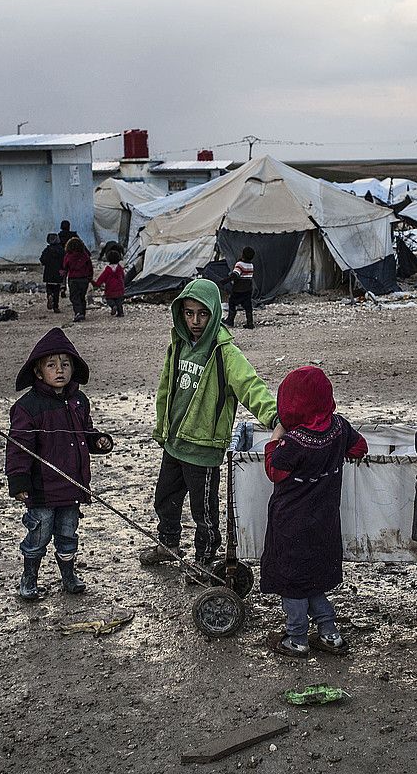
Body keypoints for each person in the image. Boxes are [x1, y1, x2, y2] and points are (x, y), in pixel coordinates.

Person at [140, 278, 278, 571]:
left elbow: (250, 385)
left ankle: (205, 560)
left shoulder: (225, 352)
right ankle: (169, 544)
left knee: (204, 511)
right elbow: (167, 388)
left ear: (214, 312)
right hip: (175, 442)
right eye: (189, 313)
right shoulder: (178, 346)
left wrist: (275, 417)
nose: (195, 320)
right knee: (165, 498)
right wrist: (161, 428)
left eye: (202, 314)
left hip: (203, 449)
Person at [260, 366, 368, 658]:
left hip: (291, 527)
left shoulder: (293, 443)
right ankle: (330, 634)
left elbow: (274, 471)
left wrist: (275, 437)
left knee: (294, 585)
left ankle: (296, 638)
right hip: (325, 525)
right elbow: (360, 448)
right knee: (314, 580)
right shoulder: (339, 428)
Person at [6, 327, 113, 600]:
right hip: (42, 491)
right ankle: (29, 579)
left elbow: (85, 433)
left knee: (68, 534)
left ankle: (68, 576)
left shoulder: (78, 401)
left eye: (65, 364)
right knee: (38, 537)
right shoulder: (28, 407)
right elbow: (18, 447)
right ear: (38, 372)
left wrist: (98, 441)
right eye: (51, 365)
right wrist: (18, 480)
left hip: (72, 488)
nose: (60, 370)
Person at [60, 237, 94, 322]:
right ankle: (82, 312)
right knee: (82, 296)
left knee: (74, 297)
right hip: (84, 279)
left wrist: (63, 283)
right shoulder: (85, 255)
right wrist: (90, 277)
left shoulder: (68, 256)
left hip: (73, 279)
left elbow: (65, 268)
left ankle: (78, 312)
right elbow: (90, 267)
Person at [221, 246, 256, 329]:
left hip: (238, 290)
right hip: (247, 290)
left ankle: (230, 320)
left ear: (243, 254)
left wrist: (224, 281)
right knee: (248, 307)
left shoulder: (239, 264)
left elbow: (235, 275)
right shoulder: (251, 265)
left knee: (232, 303)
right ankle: (250, 323)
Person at [93, 248, 126, 317]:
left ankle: (113, 306)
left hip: (110, 288)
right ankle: (121, 312)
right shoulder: (120, 268)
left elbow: (102, 278)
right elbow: (123, 276)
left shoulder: (107, 270)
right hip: (119, 288)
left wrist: (96, 284)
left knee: (109, 299)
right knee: (119, 301)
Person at [39, 232, 66, 313]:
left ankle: (49, 295)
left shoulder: (47, 250)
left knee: (49, 287)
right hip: (58, 273)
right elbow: (64, 261)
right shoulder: (61, 250)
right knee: (57, 290)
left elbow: (42, 260)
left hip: (48, 272)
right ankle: (56, 306)